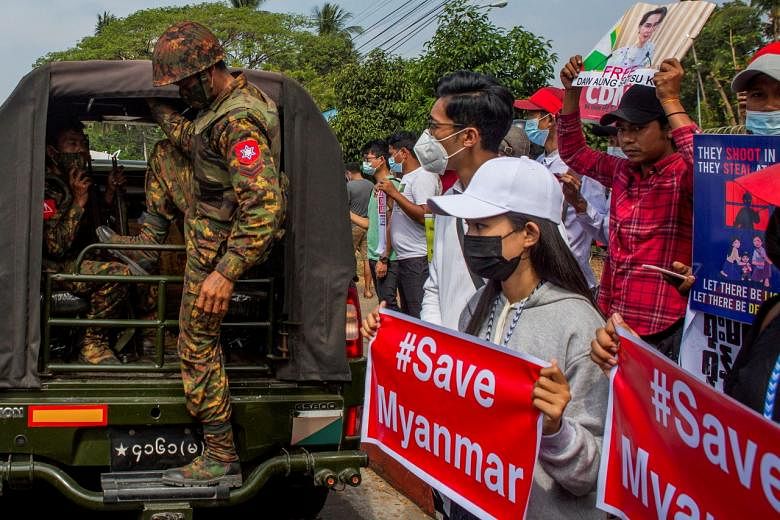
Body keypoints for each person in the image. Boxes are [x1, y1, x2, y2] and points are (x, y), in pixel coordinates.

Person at [363, 157, 608, 519]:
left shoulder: (580, 326)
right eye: (469, 227)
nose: (470, 239)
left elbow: (594, 474)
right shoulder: (477, 306)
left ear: (529, 234)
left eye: (480, 226)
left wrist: (556, 430)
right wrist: (390, 348)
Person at [146, 21, 285, 487]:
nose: (183, 92)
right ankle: (149, 241)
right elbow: (192, 140)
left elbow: (264, 208)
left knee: (195, 341)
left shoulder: (238, 121)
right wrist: (162, 113)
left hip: (219, 247)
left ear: (208, 72)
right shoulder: (216, 109)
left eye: (186, 83)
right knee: (165, 151)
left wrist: (224, 274)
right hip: (206, 217)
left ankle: (220, 453)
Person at [559, 55, 698, 357]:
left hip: (664, 326)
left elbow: (707, 165)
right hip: (614, 316)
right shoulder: (623, 171)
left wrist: (671, 100)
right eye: (622, 129)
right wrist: (571, 93)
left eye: (637, 128)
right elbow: (574, 152)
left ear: (666, 129)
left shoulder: (685, 174)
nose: (626, 139)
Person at [418, 71, 515, 329]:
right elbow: (436, 284)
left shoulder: (521, 204)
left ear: (468, 137)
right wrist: (438, 340)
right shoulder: (446, 203)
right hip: (455, 363)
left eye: (435, 126)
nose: (428, 135)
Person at [43, 118, 131, 365]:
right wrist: (78, 201)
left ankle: (147, 334)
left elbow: (97, 228)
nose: (80, 150)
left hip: (84, 257)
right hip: (55, 267)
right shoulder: (49, 187)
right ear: (53, 151)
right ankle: (92, 343)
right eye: (72, 143)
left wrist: (110, 193)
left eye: (83, 144)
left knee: (141, 264)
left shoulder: (80, 179)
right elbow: (55, 248)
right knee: (118, 274)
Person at [515, 86, 608, 291]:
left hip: (572, 282)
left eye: (533, 115)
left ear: (550, 120)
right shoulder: (538, 163)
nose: (527, 121)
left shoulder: (582, 169)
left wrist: (578, 202)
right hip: (539, 280)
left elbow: (600, 225)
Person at [376, 131, 441, 318]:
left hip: (418, 258)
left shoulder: (423, 176)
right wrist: (389, 196)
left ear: (404, 153)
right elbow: (401, 212)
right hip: (405, 257)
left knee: (418, 314)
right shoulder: (407, 177)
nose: (391, 158)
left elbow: (425, 216)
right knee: (409, 314)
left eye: (392, 153)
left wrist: (395, 194)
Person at [363, 139, 402, 311]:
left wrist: (384, 258)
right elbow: (372, 223)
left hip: (387, 258)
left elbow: (392, 221)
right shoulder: (375, 188)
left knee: (388, 304)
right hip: (373, 255)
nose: (366, 163)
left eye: (368, 159)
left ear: (381, 160)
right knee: (383, 304)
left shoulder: (391, 185)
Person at [345, 161, 374, 298]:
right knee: (367, 259)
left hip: (353, 226)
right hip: (368, 225)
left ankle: (350, 288)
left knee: (348, 257)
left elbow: (344, 207)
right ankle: (368, 290)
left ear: (348, 173)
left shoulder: (349, 186)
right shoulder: (371, 185)